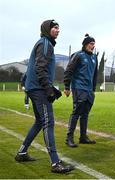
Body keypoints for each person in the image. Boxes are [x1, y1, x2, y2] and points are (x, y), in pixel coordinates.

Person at [15, 19, 74, 173]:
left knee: (40, 122)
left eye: (58, 28)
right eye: (54, 27)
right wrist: (48, 89)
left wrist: (29, 84)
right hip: (38, 89)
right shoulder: (45, 44)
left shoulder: (43, 43)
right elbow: (40, 68)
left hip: (34, 88)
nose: (58, 30)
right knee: (48, 122)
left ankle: (22, 152)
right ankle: (55, 163)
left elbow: (32, 68)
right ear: (47, 29)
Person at [64, 34, 98, 148]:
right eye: (91, 43)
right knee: (76, 112)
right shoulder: (78, 55)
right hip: (78, 88)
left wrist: (93, 89)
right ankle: (69, 138)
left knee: (85, 114)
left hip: (89, 90)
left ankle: (83, 137)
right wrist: (67, 87)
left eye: (94, 44)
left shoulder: (94, 57)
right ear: (85, 44)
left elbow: (95, 75)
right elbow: (69, 70)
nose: (92, 46)